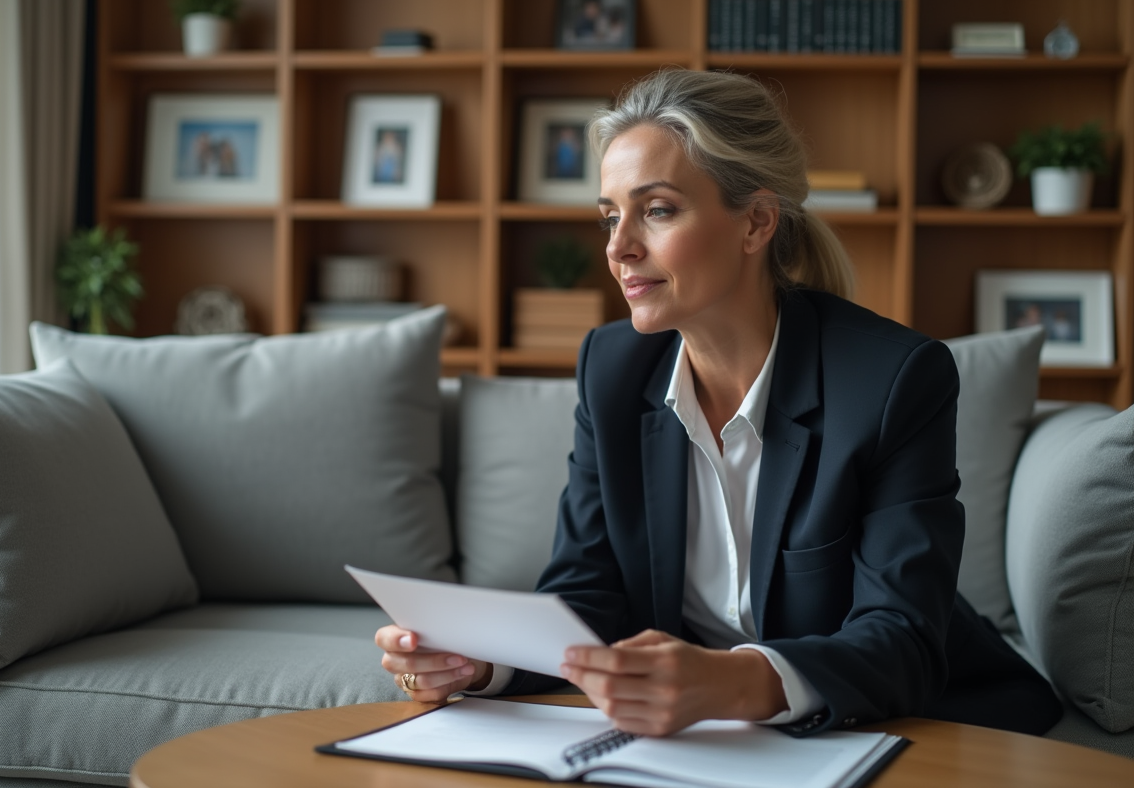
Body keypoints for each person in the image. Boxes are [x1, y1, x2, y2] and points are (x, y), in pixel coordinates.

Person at [375, 69, 1062, 738]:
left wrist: (730, 684)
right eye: (611, 216)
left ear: (757, 221)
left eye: (657, 210)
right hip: (716, 740)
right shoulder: (611, 369)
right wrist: (479, 661)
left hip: (906, 723)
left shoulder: (892, 379)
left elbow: (901, 638)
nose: (619, 248)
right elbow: (588, 596)